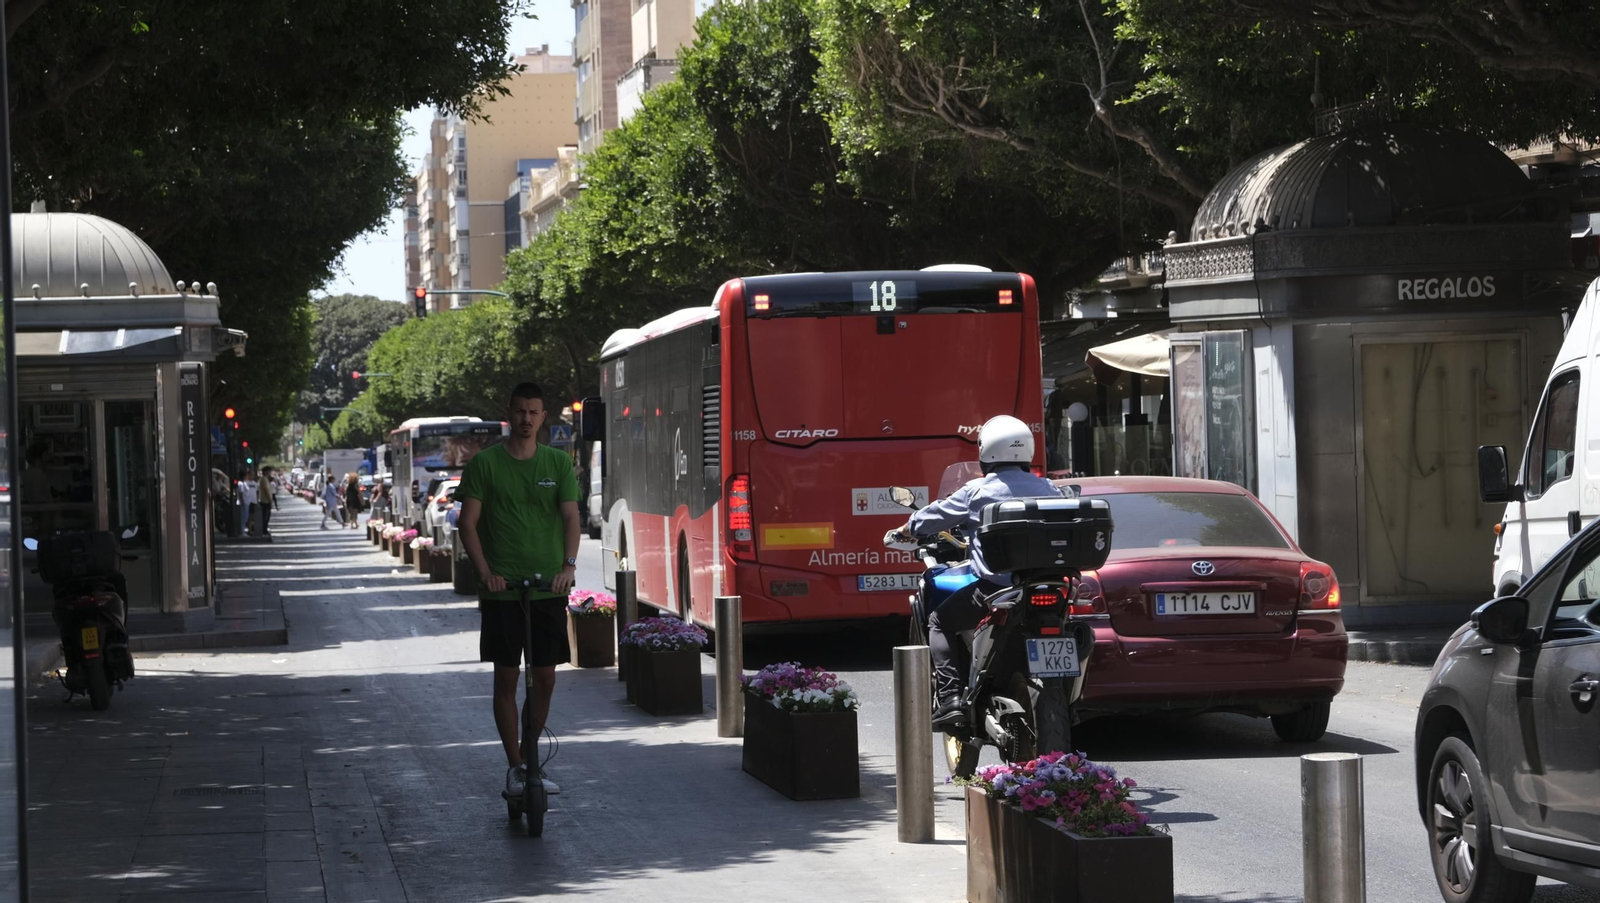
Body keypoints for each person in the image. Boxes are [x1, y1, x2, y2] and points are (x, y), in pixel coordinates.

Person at [894, 415, 1062, 729]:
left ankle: (951, 699)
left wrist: (905, 528)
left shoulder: (977, 492)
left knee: (939, 621)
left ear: (985, 452)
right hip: (1048, 585)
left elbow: (930, 518)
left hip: (997, 589)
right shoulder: (1050, 488)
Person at [457, 382, 582, 801]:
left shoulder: (558, 464)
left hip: (548, 587)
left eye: (534, 412)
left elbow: (570, 518)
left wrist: (568, 566)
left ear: (544, 416)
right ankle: (515, 766)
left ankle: (531, 759)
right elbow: (467, 524)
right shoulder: (485, 465)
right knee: (507, 678)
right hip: (502, 591)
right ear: (509, 414)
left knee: (545, 679)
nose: (526, 419)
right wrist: (485, 572)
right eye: (520, 411)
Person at [258, 467, 278, 536]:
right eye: (269, 472)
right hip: (265, 501)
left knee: (266, 516)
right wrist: (270, 499)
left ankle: (265, 529)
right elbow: (266, 490)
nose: (270, 473)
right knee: (266, 516)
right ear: (266, 472)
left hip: (264, 500)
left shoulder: (264, 479)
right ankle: (264, 530)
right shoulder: (264, 479)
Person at [238, 469, 259, 536]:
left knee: (247, 516)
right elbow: (241, 493)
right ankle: (242, 531)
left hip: (248, 502)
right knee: (244, 517)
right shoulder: (242, 483)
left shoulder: (251, 483)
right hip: (245, 502)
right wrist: (242, 502)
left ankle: (245, 530)